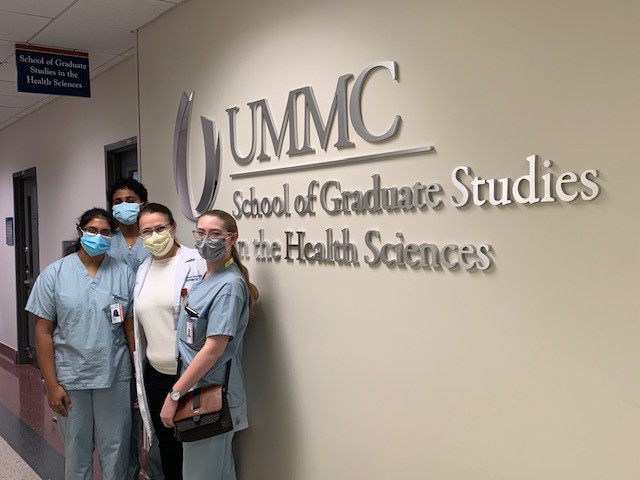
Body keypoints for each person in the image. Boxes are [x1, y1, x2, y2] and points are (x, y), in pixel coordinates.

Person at [25, 208, 135, 479]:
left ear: (113, 236)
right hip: (71, 378)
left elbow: (131, 329)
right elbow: (42, 332)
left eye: (106, 232)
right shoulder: (54, 274)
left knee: (116, 452)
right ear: (80, 232)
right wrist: (50, 385)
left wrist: (139, 380)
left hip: (115, 376)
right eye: (93, 230)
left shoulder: (123, 274)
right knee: (77, 453)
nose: (99, 236)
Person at [159, 210, 259, 480]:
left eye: (215, 234)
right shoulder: (206, 278)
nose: (206, 240)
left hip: (210, 398)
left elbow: (213, 349)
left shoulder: (228, 285)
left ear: (232, 238)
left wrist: (174, 395)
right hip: (200, 392)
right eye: (200, 233)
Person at [133, 203, 206, 479]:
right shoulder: (143, 270)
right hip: (155, 374)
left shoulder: (196, 262)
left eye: (160, 228)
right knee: (168, 447)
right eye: (146, 231)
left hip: (190, 373)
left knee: (197, 447)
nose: (154, 236)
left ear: (173, 227)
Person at [106, 177, 163, 480]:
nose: (124, 205)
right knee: (121, 420)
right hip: (114, 339)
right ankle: (126, 473)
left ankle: (156, 472)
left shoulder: (153, 238)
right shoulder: (106, 240)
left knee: (157, 414)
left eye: (130, 199)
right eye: (117, 200)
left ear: (143, 202)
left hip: (154, 334)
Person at [107, 177, 151, 273]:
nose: (124, 206)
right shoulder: (106, 240)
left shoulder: (155, 237)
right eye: (118, 202)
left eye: (130, 201)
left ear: (144, 205)